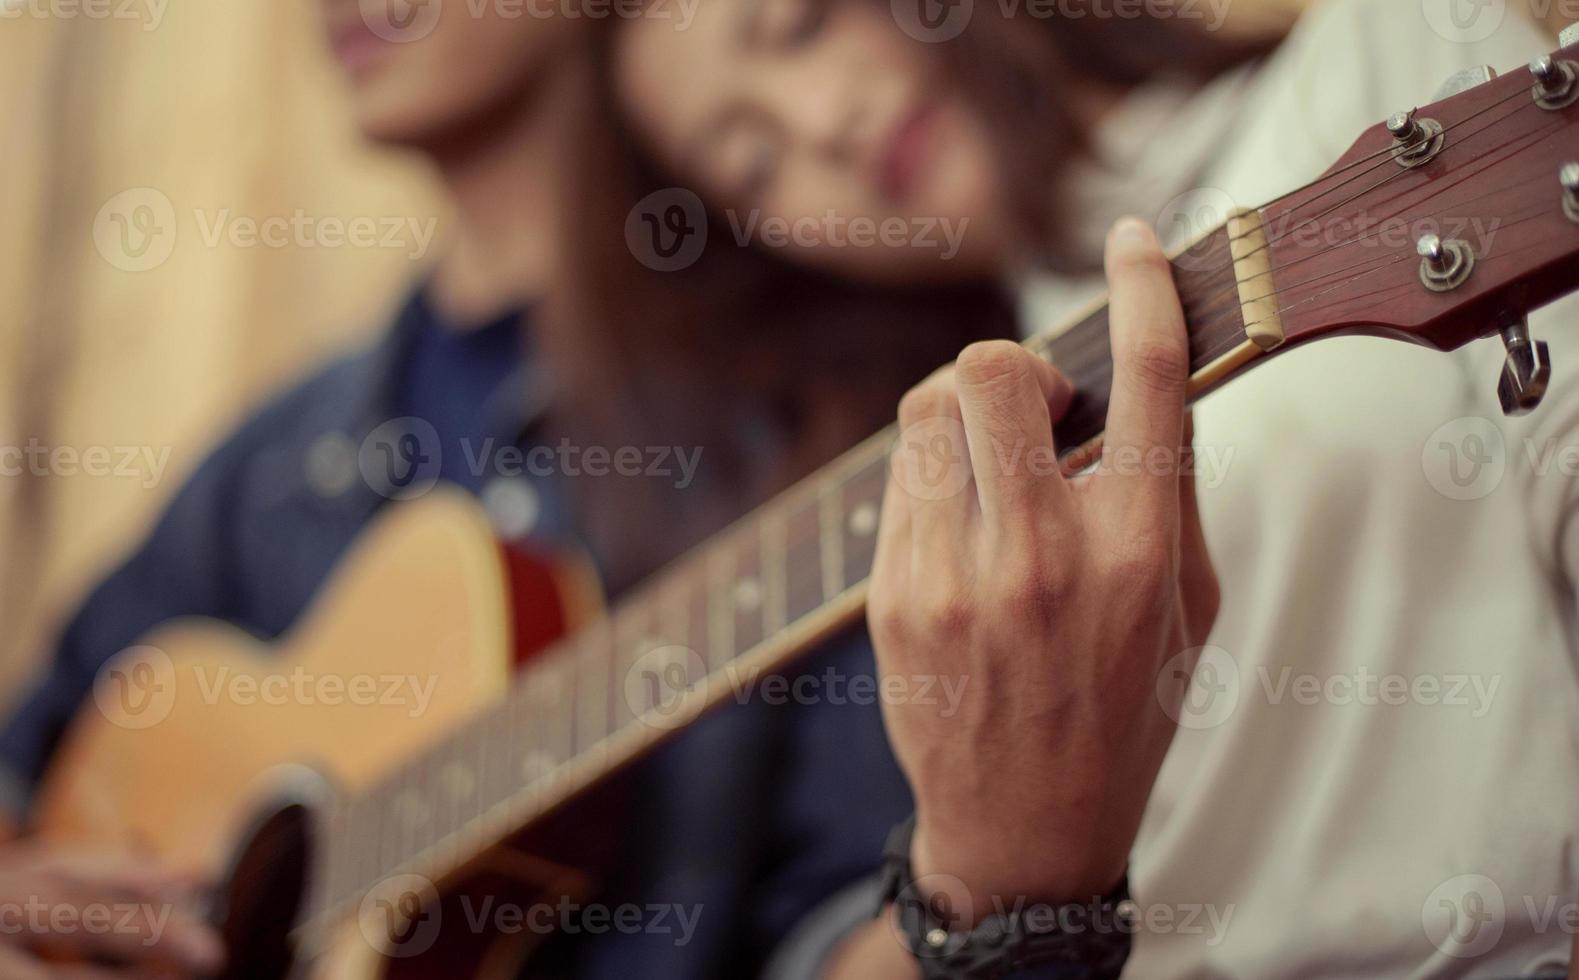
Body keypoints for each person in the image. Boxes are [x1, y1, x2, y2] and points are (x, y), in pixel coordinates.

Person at [0, 1, 1019, 976]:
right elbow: (29, 755)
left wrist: (997, 878)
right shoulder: (274, 462)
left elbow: (864, 921)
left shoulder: (829, 404)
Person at [580, 0, 1579, 976]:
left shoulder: (1378, 50)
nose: (820, 125)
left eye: (800, 28)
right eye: (752, 163)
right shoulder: (920, 516)